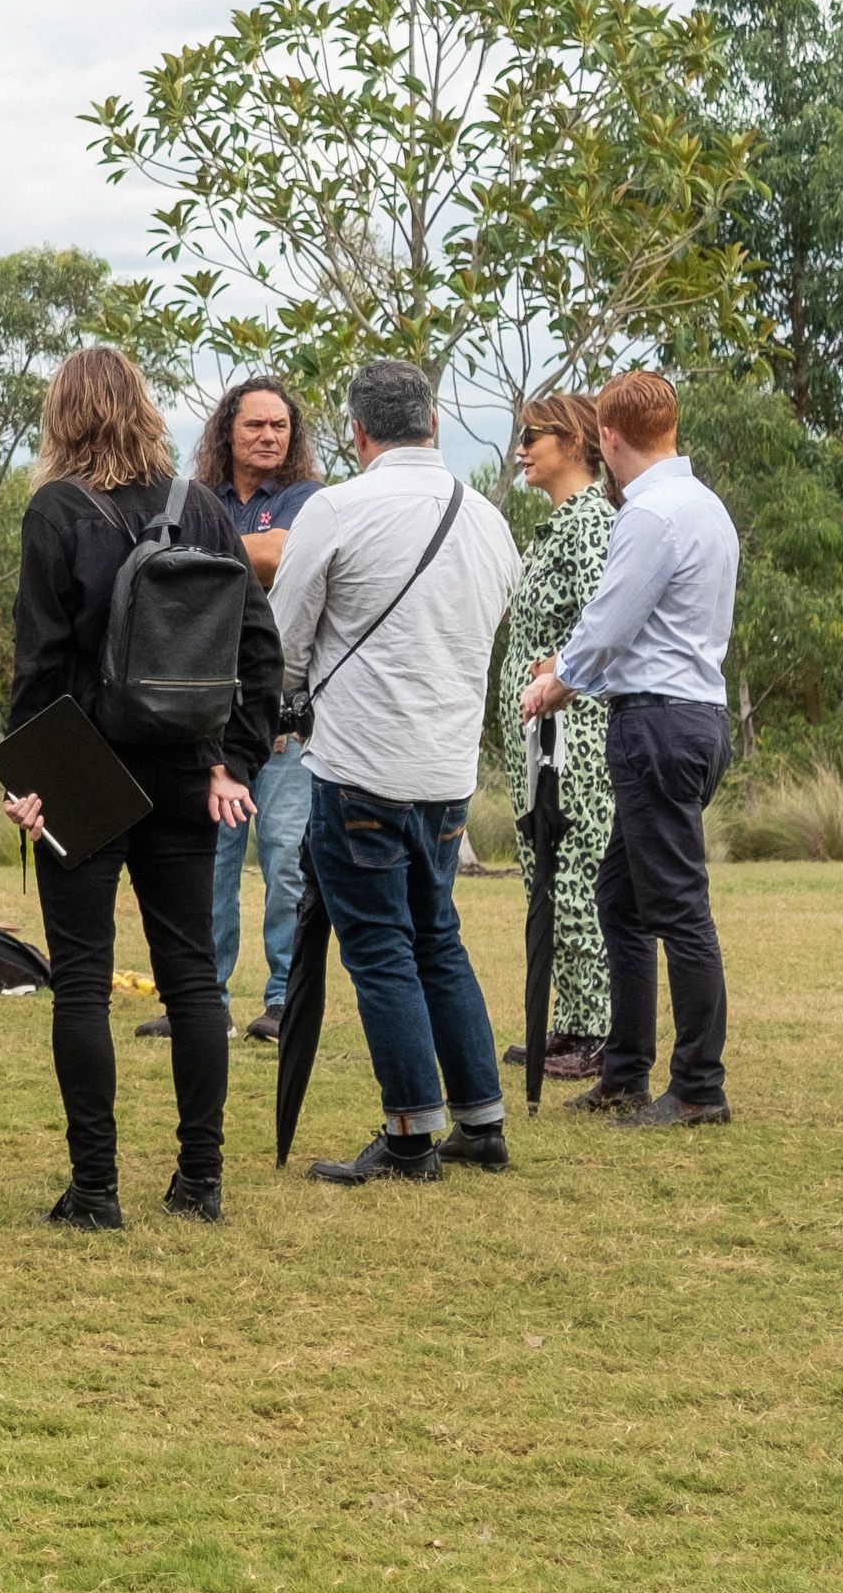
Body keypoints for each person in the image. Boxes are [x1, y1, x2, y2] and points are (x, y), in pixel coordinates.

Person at [4, 345, 276, 1230]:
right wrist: (233, 759)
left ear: (63, 416)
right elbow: (259, 648)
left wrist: (29, 778)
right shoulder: (198, 505)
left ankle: (94, 1189)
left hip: (82, 760)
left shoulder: (57, 509)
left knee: (80, 982)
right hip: (185, 760)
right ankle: (201, 1180)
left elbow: (39, 665)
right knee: (192, 977)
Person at [268, 358, 522, 1187]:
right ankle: (479, 1120)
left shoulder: (338, 508)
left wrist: (286, 710)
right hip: (448, 768)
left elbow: (284, 640)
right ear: (436, 424)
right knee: (437, 938)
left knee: (379, 948)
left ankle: (412, 1133)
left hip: (361, 761)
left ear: (357, 431)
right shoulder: (487, 519)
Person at [520, 368, 738, 1128]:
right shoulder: (705, 507)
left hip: (656, 724)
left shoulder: (648, 517)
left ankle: (699, 1086)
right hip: (697, 715)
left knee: (677, 906)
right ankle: (623, 1071)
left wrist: (556, 683)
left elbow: (610, 623)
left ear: (608, 438)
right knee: (621, 894)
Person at [156, 375, 324, 1048]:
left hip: (283, 716)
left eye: (279, 427)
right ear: (227, 430)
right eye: (254, 425)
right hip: (205, 715)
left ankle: (284, 1001)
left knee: (285, 861)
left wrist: (209, 552)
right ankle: (204, 999)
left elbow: (284, 558)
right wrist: (238, 554)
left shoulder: (310, 500)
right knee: (208, 867)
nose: (267, 437)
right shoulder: (197, 497)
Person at [502, 392, 619, 1078]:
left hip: (574, 732)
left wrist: (559, 670)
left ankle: (595, 1032)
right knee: (547, 873)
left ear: (573, 442)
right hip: (538, 733)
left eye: (533, 435)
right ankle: (568, 1020)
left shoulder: (591, 526)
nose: (522, 447)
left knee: (575, 872)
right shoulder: (555, 526)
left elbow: (602, 627)